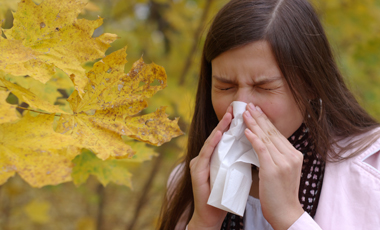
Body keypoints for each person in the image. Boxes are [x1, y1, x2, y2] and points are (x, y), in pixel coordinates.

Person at [158, 0, 380, 229]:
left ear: (312, 84)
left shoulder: (372, 171)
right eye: (225, 87)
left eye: (264, 88)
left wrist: (290, 218)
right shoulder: (191, 180)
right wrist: (203, 223)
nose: (240, 107)